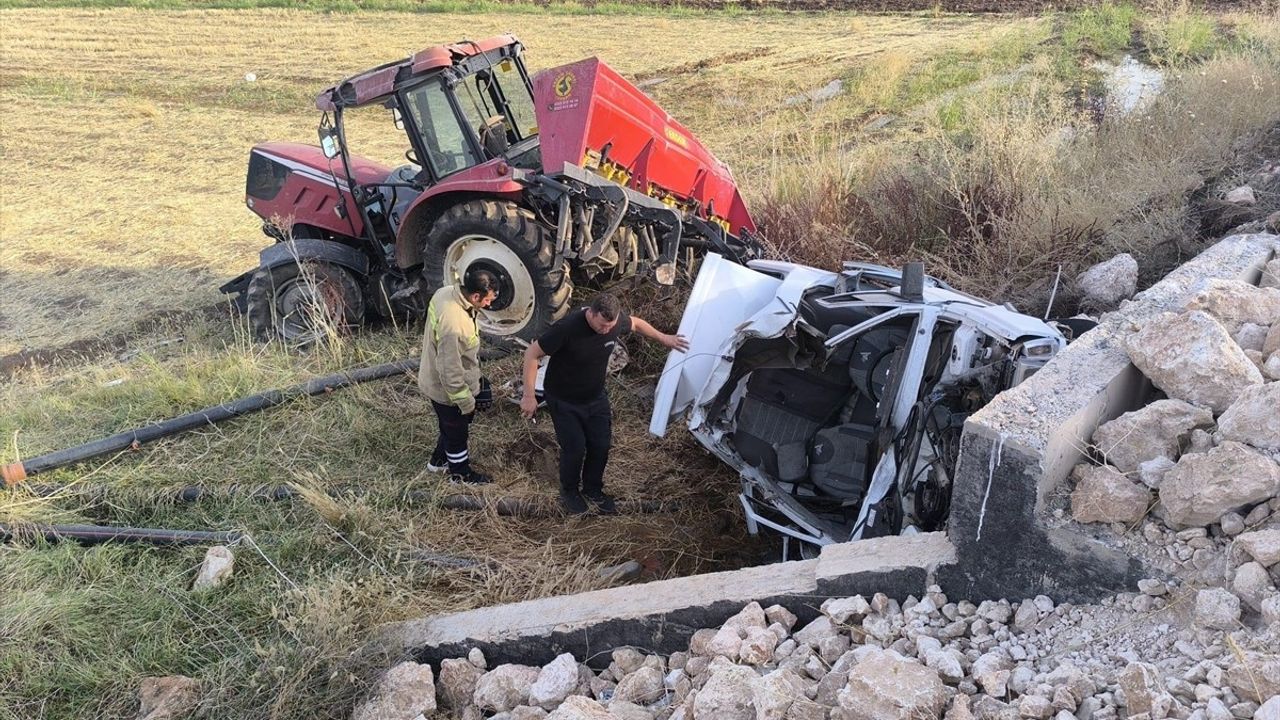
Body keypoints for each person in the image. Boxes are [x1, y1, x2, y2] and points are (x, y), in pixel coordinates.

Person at [520, 293, 689, 514]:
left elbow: (636, 323)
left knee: (600, 445)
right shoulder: (567, 328)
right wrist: (529, 396)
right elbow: (532, 354)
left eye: (610, 326)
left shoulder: (615, 322)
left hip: (595, 396)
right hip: (564, 399)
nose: (606, 330)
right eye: (602, 325)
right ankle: (569, 491)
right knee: (575, 448)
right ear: (590, 313)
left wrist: (664, 338)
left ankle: (593, 489)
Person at [419, 268, 498, 485]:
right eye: (487, 300)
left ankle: (438, 461)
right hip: (446, 390)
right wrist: (465, 402)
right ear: (475, 296)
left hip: (435, 378)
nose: (489, 305)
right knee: (457, 432)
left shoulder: (445, 293)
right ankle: (460, 474)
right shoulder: (454, 324)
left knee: (447, 425)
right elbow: (449, 370)